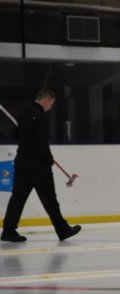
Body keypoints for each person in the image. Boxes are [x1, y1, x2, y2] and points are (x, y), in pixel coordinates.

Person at [1, 88, 81, 243]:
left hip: (22, 162)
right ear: (46, 100)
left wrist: (26, 140)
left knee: (18, 197)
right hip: (38, 165)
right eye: (50, 104)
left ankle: (8, 230)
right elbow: (42, 143)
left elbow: (15, 135)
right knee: (49, 198)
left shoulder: (24, 114)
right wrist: (49, 159)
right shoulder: (40, 117)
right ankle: (62, 230)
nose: (50, 108)